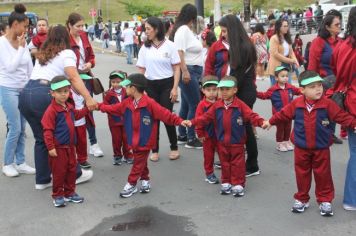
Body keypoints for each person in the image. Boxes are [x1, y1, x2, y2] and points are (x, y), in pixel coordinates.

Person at [263, 71, 356, 217]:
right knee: (302, 174)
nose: (318, 89)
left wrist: (353, 124)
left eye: (319, 85)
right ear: (302, 90)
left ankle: (325, 200)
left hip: (321, 148)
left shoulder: (327, 104)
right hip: (301, 148)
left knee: (323, 175)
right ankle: (302, 198)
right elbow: (283, 114)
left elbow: (341, 116)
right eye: (312, 87)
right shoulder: (296, 103)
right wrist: (270, 121)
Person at [19, 25, 96, 190]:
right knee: (63, 135)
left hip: (27, 94)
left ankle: (42, 180)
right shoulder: (67, 53)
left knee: (41, 139)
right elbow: (74, 77)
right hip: (45, 94)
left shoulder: (44, 54)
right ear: (66, 37)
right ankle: (75, 174)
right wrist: (88, 98)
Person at [98, 74, 186, 198]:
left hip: (145, 140)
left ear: (133, 88)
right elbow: (113, 108)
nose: (124, 89)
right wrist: (98, 106)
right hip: (133, 139)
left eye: (127, 86)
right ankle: (145, 180)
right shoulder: (127, 102)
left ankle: (131, 184)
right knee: (141, 161)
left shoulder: (150, 103)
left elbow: (166, 114)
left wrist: (180, 121)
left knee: (138, 162)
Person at [187, 76, 265, 196]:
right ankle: (226, 182)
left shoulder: (240, 105)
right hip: (222, 141)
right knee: (224, 163)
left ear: (235, 90)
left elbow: (251, 115)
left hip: (237, 142)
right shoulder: (217, 105)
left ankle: (238, 183)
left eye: (227, 89)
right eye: (221, 89)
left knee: (238, 164)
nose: (223, 92)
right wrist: (192, 122)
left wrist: (261, 122)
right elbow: (205, 117)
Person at [205, 15, 260, 177]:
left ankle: (252, 165)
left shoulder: (245, 47)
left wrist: (227, 94)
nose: (222, 34)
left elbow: (238, 76)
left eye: (224, 31)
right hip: (235, 90)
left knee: (245, 129)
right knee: (233, 127)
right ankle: (231, 160)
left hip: (243, 92)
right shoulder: (236, 46)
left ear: (233, 30)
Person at [137, 17, 181, 161]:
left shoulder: (170, 45)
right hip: (150, 85)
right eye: (145, 28)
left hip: (167, 85)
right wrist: (140, 89)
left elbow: (176, 69)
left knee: (167, 116)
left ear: (156, 29)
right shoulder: (145, 47)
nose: (146, 31)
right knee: (152, 118)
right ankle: (154, 149)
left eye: (148, 29)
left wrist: (175, 88)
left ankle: (174, 147)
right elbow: (141, 70)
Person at [0, 3, 36, 177]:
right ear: (15, 25)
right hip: (8, 89)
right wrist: (22, 49)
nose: (27, 29)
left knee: (22, 127)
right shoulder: (2, 43)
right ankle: (7, 163)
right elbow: (11, 67)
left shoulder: (23, 42)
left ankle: (20, 161)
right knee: (14, 127)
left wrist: (31, 85)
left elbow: (29, 66)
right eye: (25, 26)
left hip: (23, 89)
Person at [42, 76, 88, 207]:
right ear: (52, 93)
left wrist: (87, 109)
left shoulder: (69, 106)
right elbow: (47, 131)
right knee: (59, 173)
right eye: (59, 91)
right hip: (58, 148)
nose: (63, 94)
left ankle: (70, 193)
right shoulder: (51, 111)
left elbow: (76, 115)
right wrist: (50, 147)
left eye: (66, 91)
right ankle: (57, 195)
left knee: (71, 170)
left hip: (70, 147)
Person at [67, 13, 104, 158]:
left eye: (83, 25)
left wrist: (89, 63)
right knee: (73, 112)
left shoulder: (83, 36)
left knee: (89, 109)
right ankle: (74, 148)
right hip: (71, 80)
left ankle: (93, 144)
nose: (81, 29)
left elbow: (92, 57)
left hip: (86, 78)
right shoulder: (65, 40)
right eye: (78, 26)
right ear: (70, 25)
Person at [332, 6, 356, 211]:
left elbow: (339, 74)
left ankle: (351, 198)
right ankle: (351, 198)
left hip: (349, 102)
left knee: (355, 152)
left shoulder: (343, 45)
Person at [170, 4, 204, 149]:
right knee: (195, 104)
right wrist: (185, 71)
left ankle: (182, 134)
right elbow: (179, 52)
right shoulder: (183, 30)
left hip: (192, 70)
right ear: (193, 16)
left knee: (186, 103)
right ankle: (191, 137)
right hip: (189, 70)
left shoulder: (185, 30)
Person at [308, 13, 343, 144]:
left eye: (340, 24)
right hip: (323, 81)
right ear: (328, 27)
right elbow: (313, 63)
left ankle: (330, 134)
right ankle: (319, 134)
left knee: (335, 108)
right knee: (322, 110)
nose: (340, 26)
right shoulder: (319, 42)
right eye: (336, 24)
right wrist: (312, 84)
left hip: (338, 82)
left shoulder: (341, 41)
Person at [257, 66, 301, 151]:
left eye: (286, 76)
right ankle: (279, 143)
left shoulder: (290, 87)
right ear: (276, 78)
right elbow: (264, 96)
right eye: (283, 76)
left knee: (288, 128)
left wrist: (305, 90)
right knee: (280, 129)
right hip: (278, 115)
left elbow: (299, 91)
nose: (285, 78)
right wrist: (255, 92)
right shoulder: (273, 89)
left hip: (289, 114)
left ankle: (286, 141)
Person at [103, 70, 133, 165]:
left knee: (127, 139)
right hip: (114, 122)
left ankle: (128, 155)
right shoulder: (108, 94)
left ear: (123, 81)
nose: (115, 84)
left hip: (126, 121)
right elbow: (104, 107)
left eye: (118, 82)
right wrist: (112, 112)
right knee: (116, 140)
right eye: (113, 82)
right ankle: (117, 156)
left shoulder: (127, 92)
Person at [195, 75, 219, 184]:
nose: (212, 93)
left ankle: (228, 171)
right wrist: (200, 134)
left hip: (221, 134)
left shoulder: (221, 102)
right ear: (203, 91)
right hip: (208, 136)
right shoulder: (202, 105)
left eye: (214, 89)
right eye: (208, 90)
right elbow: (198, 120)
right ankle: (209, 173)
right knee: (209, 156)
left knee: (224, 153)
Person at [69, 74, 92, 169]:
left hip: (81, 122)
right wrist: (87, 109)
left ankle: (82, 160)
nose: (84, 83)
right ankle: (71, 161)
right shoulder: (68, 93)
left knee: (82, 142)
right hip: (71, 124)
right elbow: (73, 113)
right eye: (82, 81)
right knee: (70, 143)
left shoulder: (85, 92)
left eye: (85, 81)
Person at [267, 19, 299, 86]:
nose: (286, 28)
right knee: (276, 88)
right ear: (279, 27)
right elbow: (275, 54)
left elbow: (291, 51)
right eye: (284, 26)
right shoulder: (274, 38)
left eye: (287, 26)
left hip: (287, 66)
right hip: (276, 66)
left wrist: (295, 60)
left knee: (288, 87)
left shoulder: (287, 38)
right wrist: (290, 60)